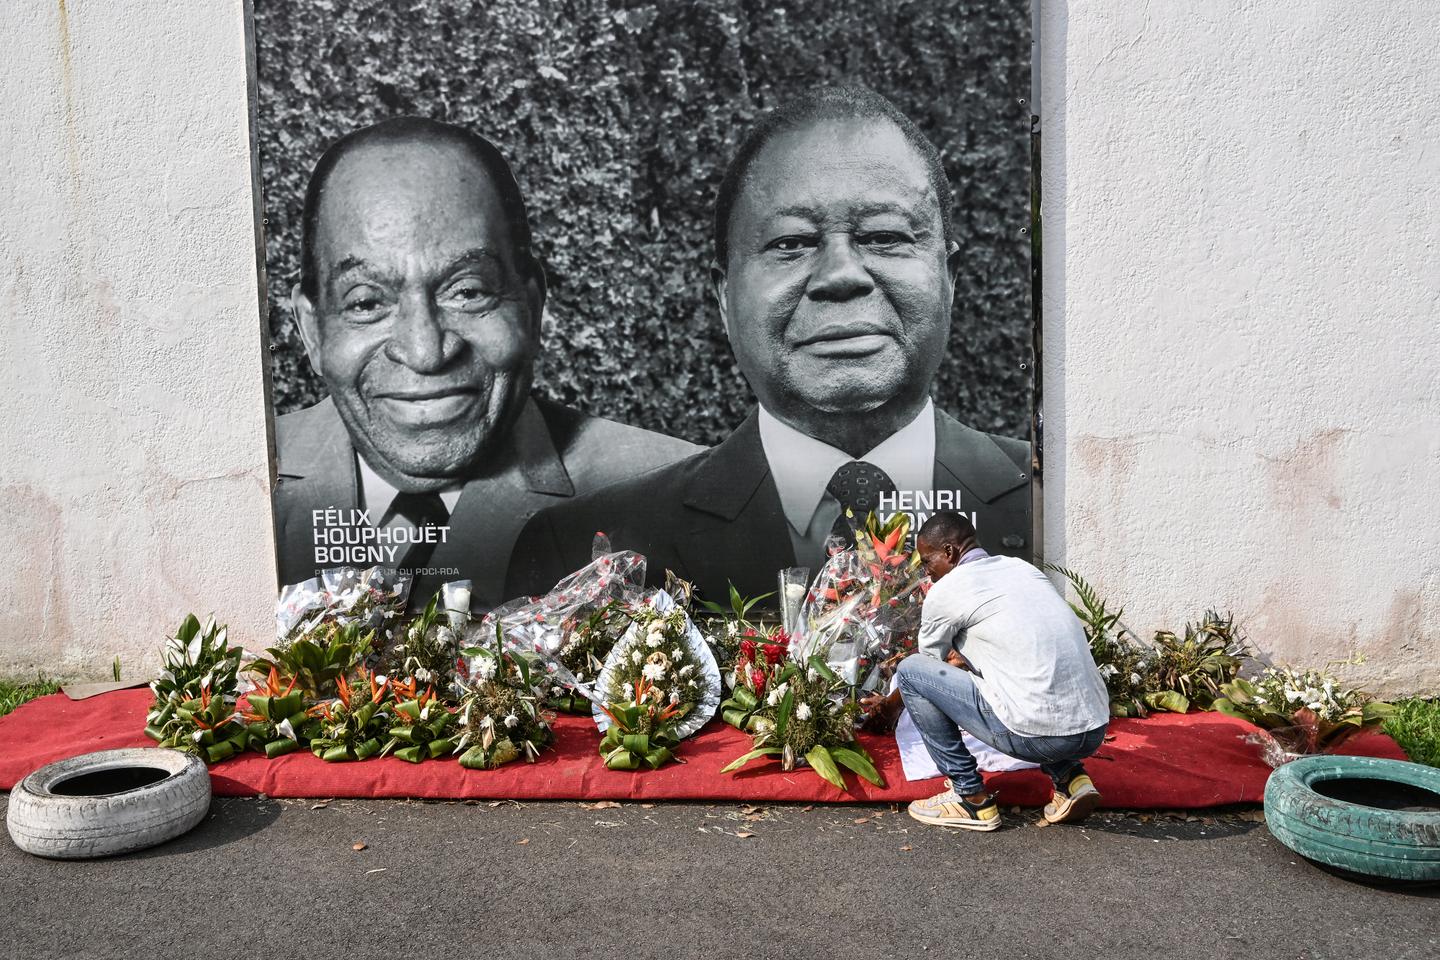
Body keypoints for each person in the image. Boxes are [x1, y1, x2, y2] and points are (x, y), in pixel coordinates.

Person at [507, 86, 1030, 605]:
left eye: (883, 235)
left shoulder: (1058, 506)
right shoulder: (581, 549)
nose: (841, 275)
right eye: (791, 243)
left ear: (949, 277)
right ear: (724, 297)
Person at [273, 117, 699, 608]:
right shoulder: (222, 491)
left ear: (533, 308)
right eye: (367, 302)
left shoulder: (675, 496)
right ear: (311, 330)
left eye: (468, 291)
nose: (425, 352)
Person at [861, 510, 1110, 831]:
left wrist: (889, 708)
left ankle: (970, 798)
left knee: (909, 670)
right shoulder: (1022, 569)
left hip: (1038, 736)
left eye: (927, 562)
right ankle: (1071, 779)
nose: (927, 573)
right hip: (1094, 728)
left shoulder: (947, 589)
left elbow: (926, 670)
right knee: (1027, 686)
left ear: (949, 552)